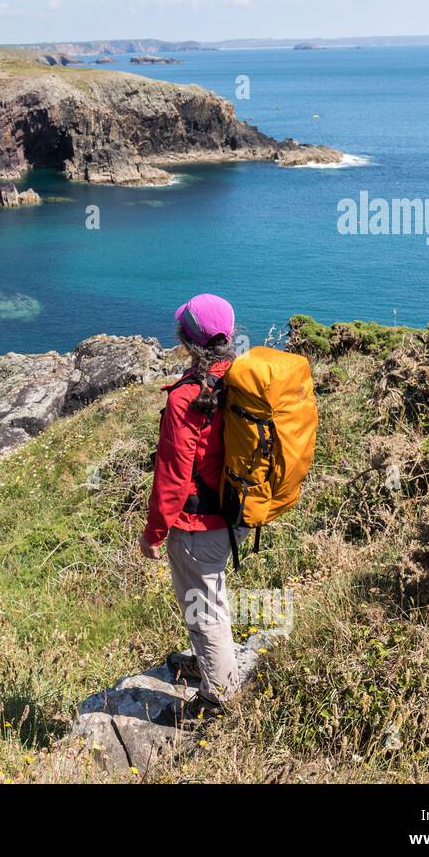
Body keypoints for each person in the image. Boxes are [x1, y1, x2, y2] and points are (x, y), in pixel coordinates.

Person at [138, 292, 243, 714]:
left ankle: (220, 697)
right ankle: (214, 664)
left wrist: (153, 534)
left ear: (187, 338)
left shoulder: (186, 396)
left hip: (197, 525)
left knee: (203, 609)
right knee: (212, 598)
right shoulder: (237, 378)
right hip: (230, 512)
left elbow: (173, 476)